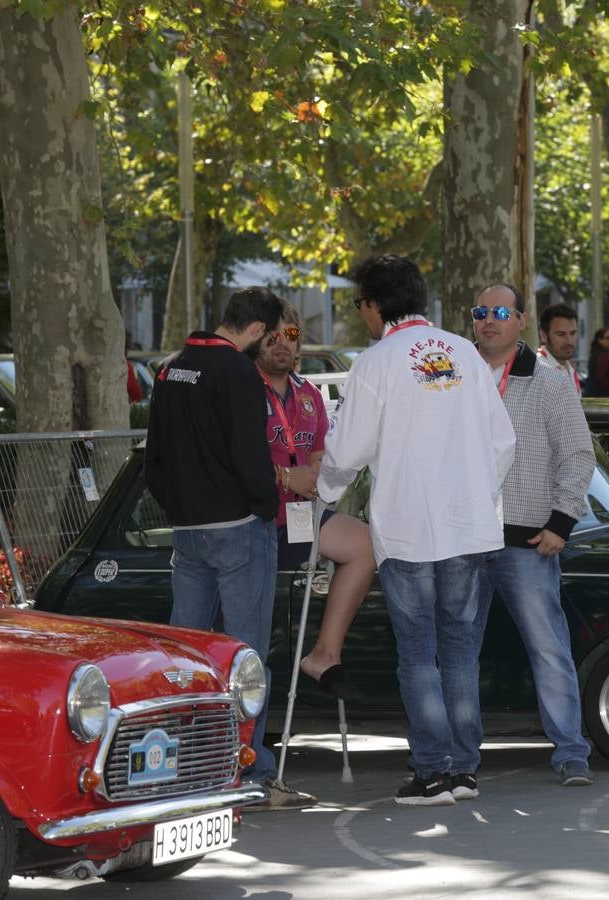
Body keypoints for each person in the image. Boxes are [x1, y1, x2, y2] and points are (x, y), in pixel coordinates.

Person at [316, 256, 515, 805]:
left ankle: (432, 770)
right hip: (470, 528)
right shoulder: (467, 356)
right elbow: (503, 443)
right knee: (458, 652)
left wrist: (326, 492)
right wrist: (477, 492)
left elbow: (348, 450)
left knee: (419, 653)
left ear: (374, 305)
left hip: (407, 529)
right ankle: (464, 769)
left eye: (359, 304)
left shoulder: (375, 363)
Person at [144, 286, 315, 809]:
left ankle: (181, 767)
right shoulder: (238, 373)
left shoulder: (171, 367)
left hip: (187, 531)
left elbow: (154, 457)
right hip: (239, 528)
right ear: (259, 329)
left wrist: (178, 508)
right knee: (246, 656)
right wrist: (265, 506)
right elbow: (249, 454)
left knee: (185, 658)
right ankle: (251, 769)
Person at [469, 284, 597, 790]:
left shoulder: (547, 382)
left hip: (527, 541)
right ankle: (459, 760)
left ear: (521, 320)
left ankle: (571, 753)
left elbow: (578, 455)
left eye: (499, 312)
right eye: (480, 312)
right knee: (459, 654)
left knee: (549, 648)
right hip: (463, 539)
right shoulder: (453, 378)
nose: (488, 320)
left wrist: (562, 522)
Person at [253, 304, 378, 701]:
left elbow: (323, 453)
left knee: (367, 544)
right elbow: (234, 459)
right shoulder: (242, 390)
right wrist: (287, 477)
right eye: (272, 335)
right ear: (256, 337)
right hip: (252, 521)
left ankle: (325, 654)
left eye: (290, 335)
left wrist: (320, 472)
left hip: (300, 516)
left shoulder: (308, 393)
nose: (281, 344)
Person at [536, 303, 582, 394]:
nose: (569, 341)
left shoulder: (569, 366)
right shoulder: (537, 369)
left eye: (573, 333)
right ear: (543, 335)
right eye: (561, 334)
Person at [583, 327, 609, 397]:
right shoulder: (603, 355)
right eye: (608, 338)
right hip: (601, 395)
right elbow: (600, 376)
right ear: (600, 340)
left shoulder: (596, 354)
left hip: (592, 393)